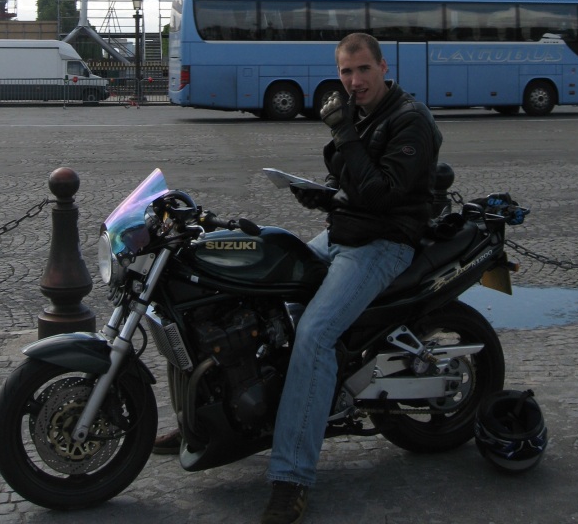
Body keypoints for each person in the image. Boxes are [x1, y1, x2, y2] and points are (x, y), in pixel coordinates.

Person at [153, 32, 443, 524]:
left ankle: (292, 477)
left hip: (384, 243)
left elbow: (381, 195)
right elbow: (350, 182)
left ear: (383, 67)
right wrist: (320, 194)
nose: (354, 80)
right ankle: (211, 422)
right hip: (345, 232)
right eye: (346, 72)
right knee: (266, 305)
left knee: (314, 334)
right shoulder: (361, 113)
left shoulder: (409, 120)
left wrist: (344, 133)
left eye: (363, 70)